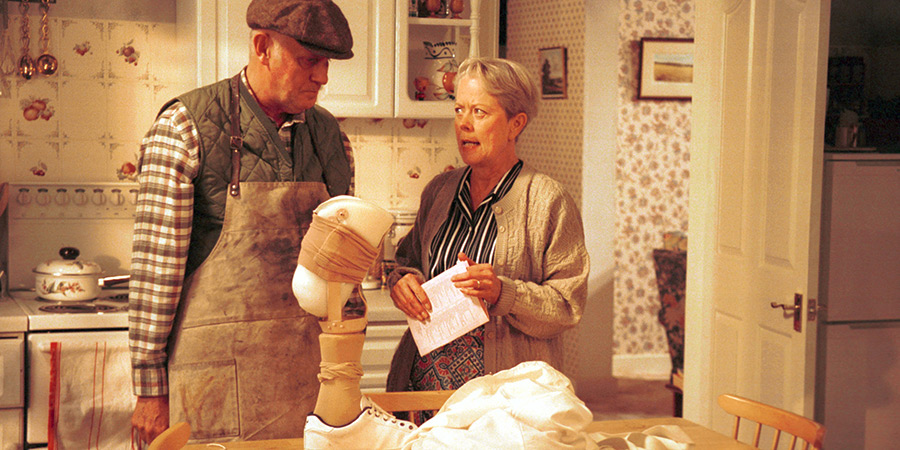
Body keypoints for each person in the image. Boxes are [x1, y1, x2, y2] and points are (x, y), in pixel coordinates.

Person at [128, 0, 355, 444]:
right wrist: (150, 392)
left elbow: (343, 269)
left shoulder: (333, 140)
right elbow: (157, 278)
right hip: (209, 386)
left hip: (308, 383)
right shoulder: (184, 129)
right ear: (262, 47)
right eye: (309, 61)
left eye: (326, 63)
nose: (323, 77)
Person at [385, 57, 590, 421]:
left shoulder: (547, 199)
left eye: (479, 112)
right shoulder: (439, 190)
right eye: (459, 109)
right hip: (424, 398)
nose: (464, 123)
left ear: (516, 124)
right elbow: (408, 261)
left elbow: (566, 306)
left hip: (504, 404)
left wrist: (502, 293)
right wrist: (402, 281)